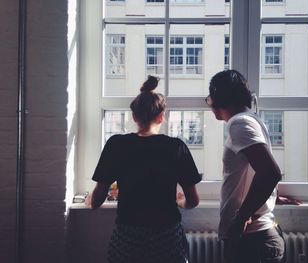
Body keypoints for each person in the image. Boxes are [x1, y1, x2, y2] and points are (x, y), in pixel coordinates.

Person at [87, 75, 202, 263]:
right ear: (161, 116)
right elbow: (193, 201)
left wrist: (89, 200)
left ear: (134, 116)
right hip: (166, 238)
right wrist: (180, 202)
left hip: (128, 237)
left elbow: (97, 200)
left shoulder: (117, 144)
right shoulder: (175, 147)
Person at [205, 69, 285, 263]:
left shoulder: (239, 123)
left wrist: (240, 218)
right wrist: (272, 195)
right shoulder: (252, 120)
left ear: (218, 97)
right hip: (257, 238)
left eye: (210, 97)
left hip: (253, 240)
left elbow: (270, 173)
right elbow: (255, 171)